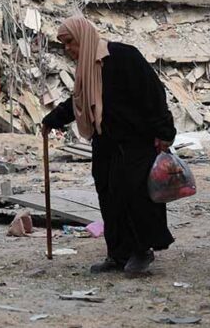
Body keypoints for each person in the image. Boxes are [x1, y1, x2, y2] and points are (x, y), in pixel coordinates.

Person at [41, 15, 176, 276]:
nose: (68, 49)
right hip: (106, 143)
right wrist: (52, 120)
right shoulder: (86, 69)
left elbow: (152, 93)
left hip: (136, 141)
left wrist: (164, 131)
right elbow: (78, 102)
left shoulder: (123, 56)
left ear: (84, 36)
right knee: (110, 198)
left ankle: (142, 251)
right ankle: (117, 254)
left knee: (136, 197)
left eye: (70, 42)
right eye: (64, 45)